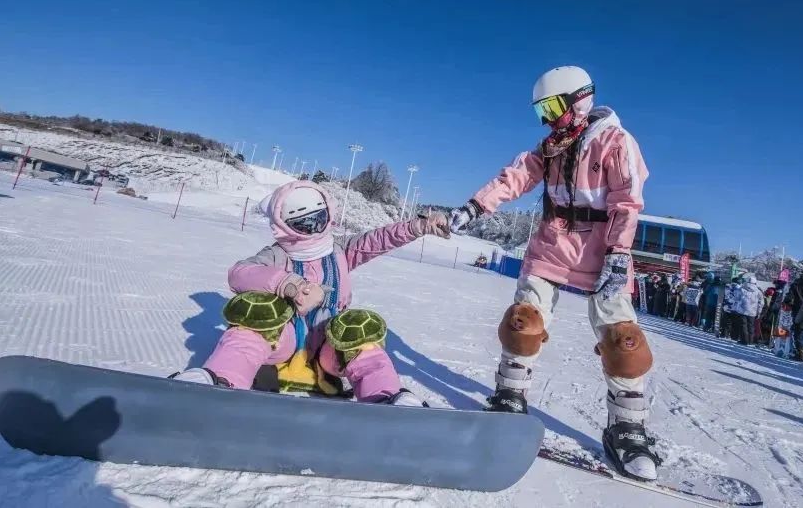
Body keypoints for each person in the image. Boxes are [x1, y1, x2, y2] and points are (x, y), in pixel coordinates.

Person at [448, 66, 659, 481]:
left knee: (624, 341)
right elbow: (513, 178)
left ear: (578, 100)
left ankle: (627, 427)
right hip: (552, 246)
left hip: (602, 250)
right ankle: (510, 395)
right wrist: (473, 207)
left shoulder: (617, 143)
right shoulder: (550, 148)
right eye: (542, 110)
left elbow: (627, 203)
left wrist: (618, 253)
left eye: (552, 107)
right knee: (523, 320)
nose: (547, 119)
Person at [171, 180, 450, 405]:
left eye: (319, 220)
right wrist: (288, 284)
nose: (314, 229)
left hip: (329, 349)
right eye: (304, 224)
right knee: (251, 321)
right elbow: (239, 273)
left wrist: (420, 225)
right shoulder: (277, 255)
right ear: (283, 223)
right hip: (285, 340)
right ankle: (219, 380)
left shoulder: (339, 251)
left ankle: (386, 398)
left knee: (360, 333)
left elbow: (378, 240)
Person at [785, 269, 803, 361]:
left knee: (799, 332)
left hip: (798, 311)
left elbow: (789, 298)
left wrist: (788, 303)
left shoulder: (796, 284)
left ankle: (800, 353)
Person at [734, 274, 764, 345]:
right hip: (753, 311)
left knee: (743, 325)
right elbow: (761, 303)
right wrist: (759, 312)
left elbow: (736, 297)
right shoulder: (758, 291)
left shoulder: (742, 288)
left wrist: (737, 307)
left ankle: (744, 340)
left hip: (743, 309)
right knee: (751, 326)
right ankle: (750, 341)